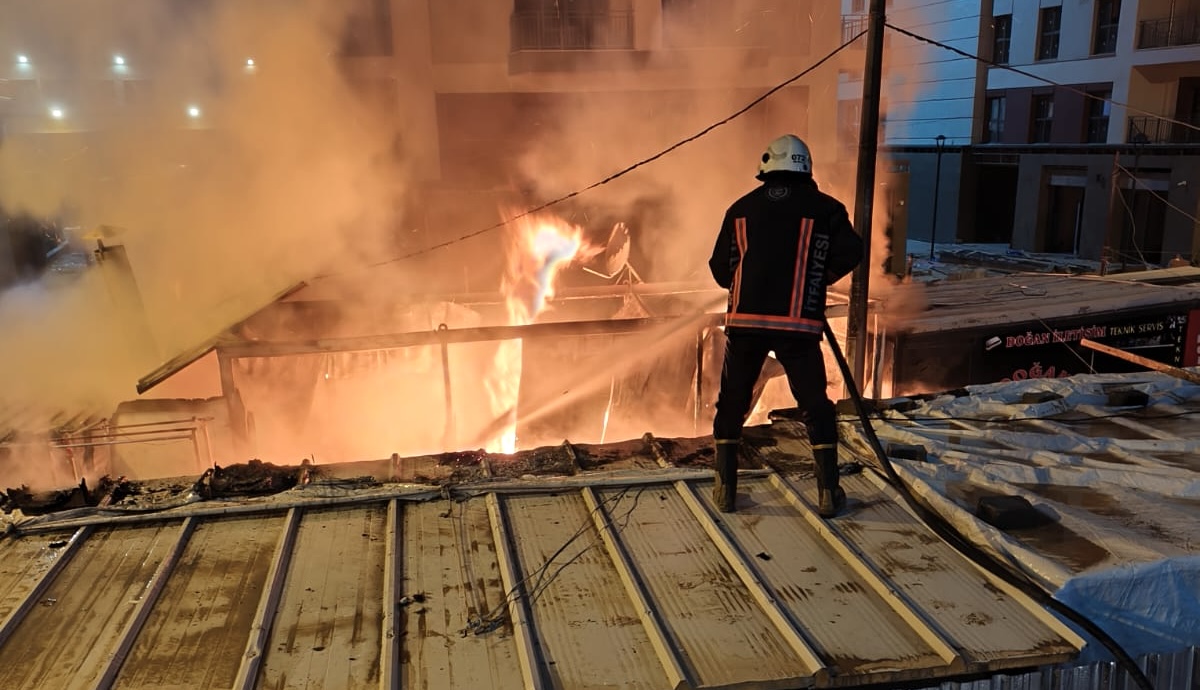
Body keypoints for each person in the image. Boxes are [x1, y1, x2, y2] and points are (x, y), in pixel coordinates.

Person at [708, 134, 864, 517]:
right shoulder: (826, 208)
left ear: (768, 166)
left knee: (732, 400)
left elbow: (718, 268)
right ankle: (828, 492)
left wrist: (747, 283)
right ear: (805, 168)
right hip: (797, 323)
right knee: (815, 404)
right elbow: (853, 250)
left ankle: (725, 490)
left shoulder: (740, 208)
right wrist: (818, 277)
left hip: (744, 322)